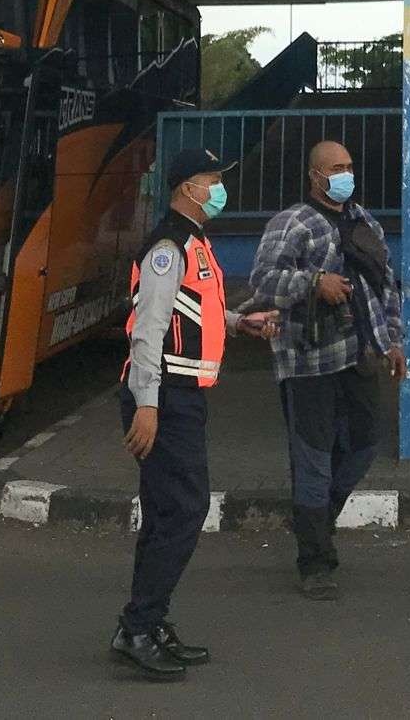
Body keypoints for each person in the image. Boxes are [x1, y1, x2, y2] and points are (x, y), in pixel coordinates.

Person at [114, 148, 279, 681]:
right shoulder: (168, 246)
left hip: (183, 395)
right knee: (184, 511)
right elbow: (149, 328)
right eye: (212, 179)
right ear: (187, 188)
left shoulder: (195, 242)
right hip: (166, 395)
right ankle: (140, 626)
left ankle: (145, 624)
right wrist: (147, 404)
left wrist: (237, 322)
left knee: (168, 512)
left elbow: (195, 310)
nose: (218, 188)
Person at [249, 139, 405, 599]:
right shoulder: (292, 222)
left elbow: (386, 288)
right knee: (313, 456)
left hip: (360, 357)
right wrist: (314, 283)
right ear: (315, 176)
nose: (345, 174)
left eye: (349, 166)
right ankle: (315, 560)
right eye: (336, 168)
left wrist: (393, 341)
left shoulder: (363, 221)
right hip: (308, 361)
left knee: (363, 445)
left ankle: (314, 523)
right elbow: (262, 280)